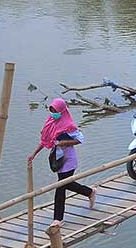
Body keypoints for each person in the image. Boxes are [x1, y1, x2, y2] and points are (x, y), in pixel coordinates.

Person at [28, 98, 95, 228]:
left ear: (62, 111)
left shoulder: (68, 125)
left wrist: (64, 143)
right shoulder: (50, 122)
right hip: (58, 159)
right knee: (66, 184)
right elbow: (44, 141)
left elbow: (80, 139)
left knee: (61, 187)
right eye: (51, 110)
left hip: (68, 159)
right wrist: (33, 154)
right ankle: (90, 192)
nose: (53, 113)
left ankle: (58, 219)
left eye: (56, 111)